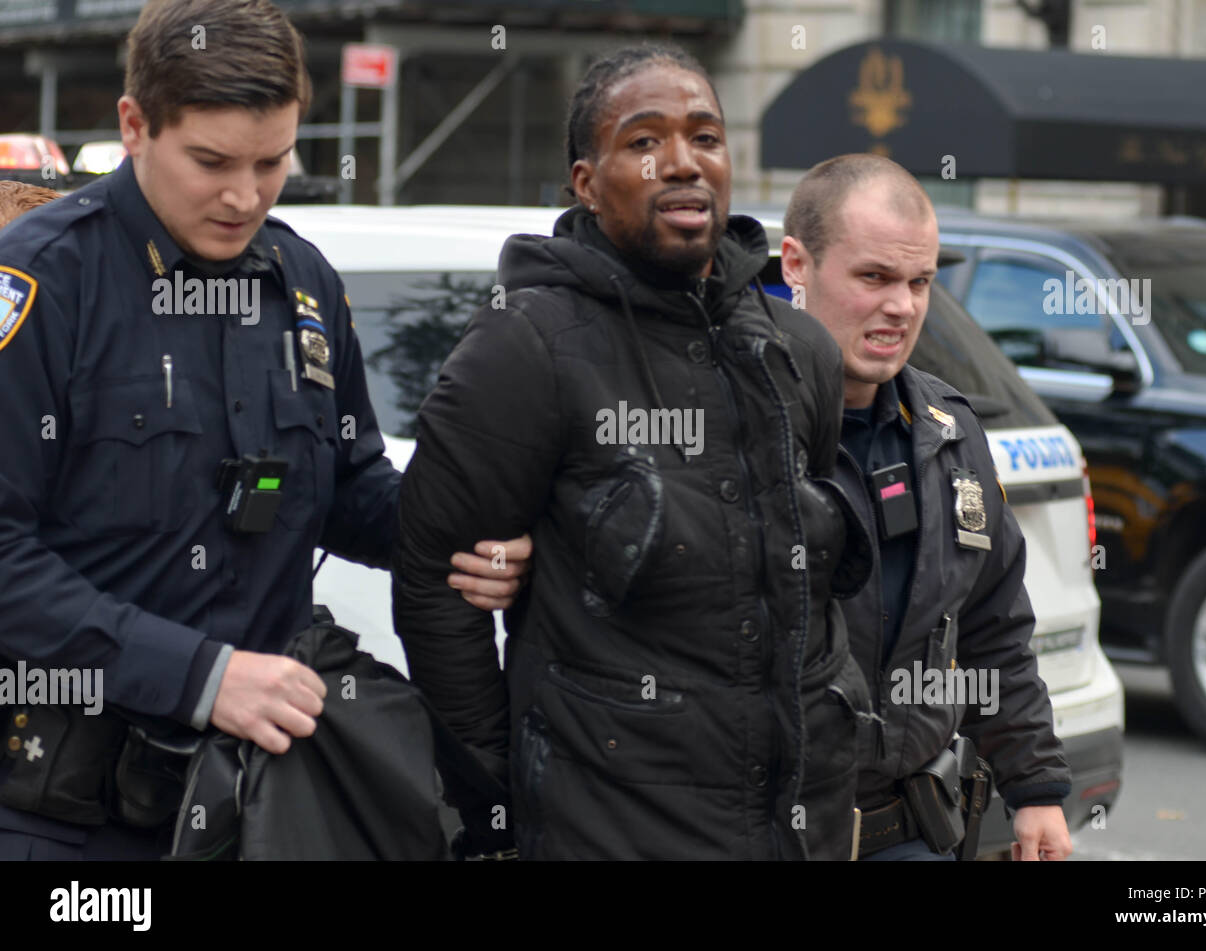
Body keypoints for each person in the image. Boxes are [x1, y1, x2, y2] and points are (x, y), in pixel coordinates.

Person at [0, 0, 528, 861]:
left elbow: (351, 486)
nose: (244, 195)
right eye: (210, 162)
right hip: (68, 819)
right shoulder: (44, 283)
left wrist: (461, 539)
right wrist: (201, 675)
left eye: (274, 161)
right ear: (135, 126)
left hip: (260, 805)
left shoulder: (303, 280)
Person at [392, 44, 874, 860]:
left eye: (705, 138)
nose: (681, 163)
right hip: (608, 831)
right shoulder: (526, 345)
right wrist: (509, 791)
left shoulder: (799, 349)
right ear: (586, 180)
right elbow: (435, 589)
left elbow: (809, 586)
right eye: (644, 142)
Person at [780, 154, 1072, 861]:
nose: (903, 306)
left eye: (920, 282)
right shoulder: (737, 423)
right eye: (874, 277)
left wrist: (1034, 785)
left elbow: (992, 627)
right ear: (797, 263)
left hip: (907, 832)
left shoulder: (948, 427)